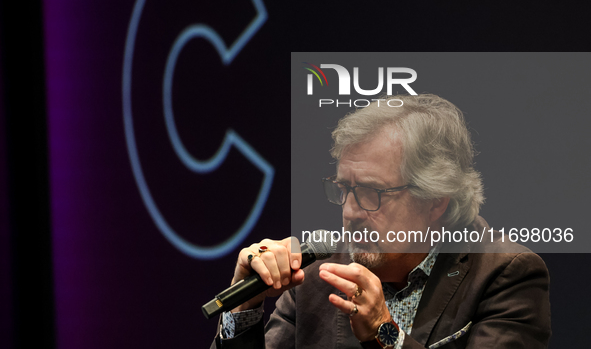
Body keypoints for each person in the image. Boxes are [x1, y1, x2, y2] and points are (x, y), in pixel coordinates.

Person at [211, 94, 551, 348]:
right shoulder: (317, 274)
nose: (351, 211)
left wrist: (384, 332)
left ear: (435, 201)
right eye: (344, 188)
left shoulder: (505, 274)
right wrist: (244, 306)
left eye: (372, 192)